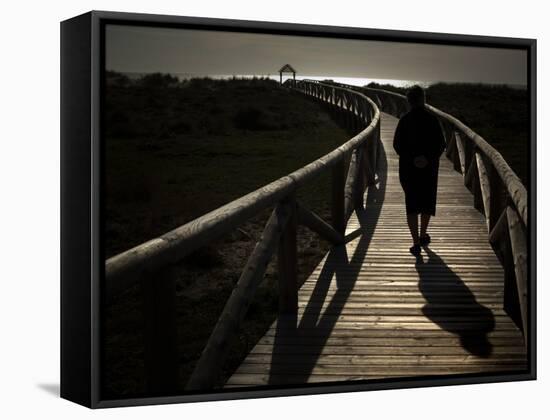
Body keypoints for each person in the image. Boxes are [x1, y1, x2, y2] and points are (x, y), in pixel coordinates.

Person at [393, 85, 446, 256]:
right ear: (423, 99)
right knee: (426, 203)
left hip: (408, 169)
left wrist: (413, 158)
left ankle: (416, 242)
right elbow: (440, 144)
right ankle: (423, 234)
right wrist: (427, 159)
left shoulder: (404, 120)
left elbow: (397, 145)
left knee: (412, 205)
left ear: (409, 101)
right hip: (428, 169)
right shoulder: (432, 120)